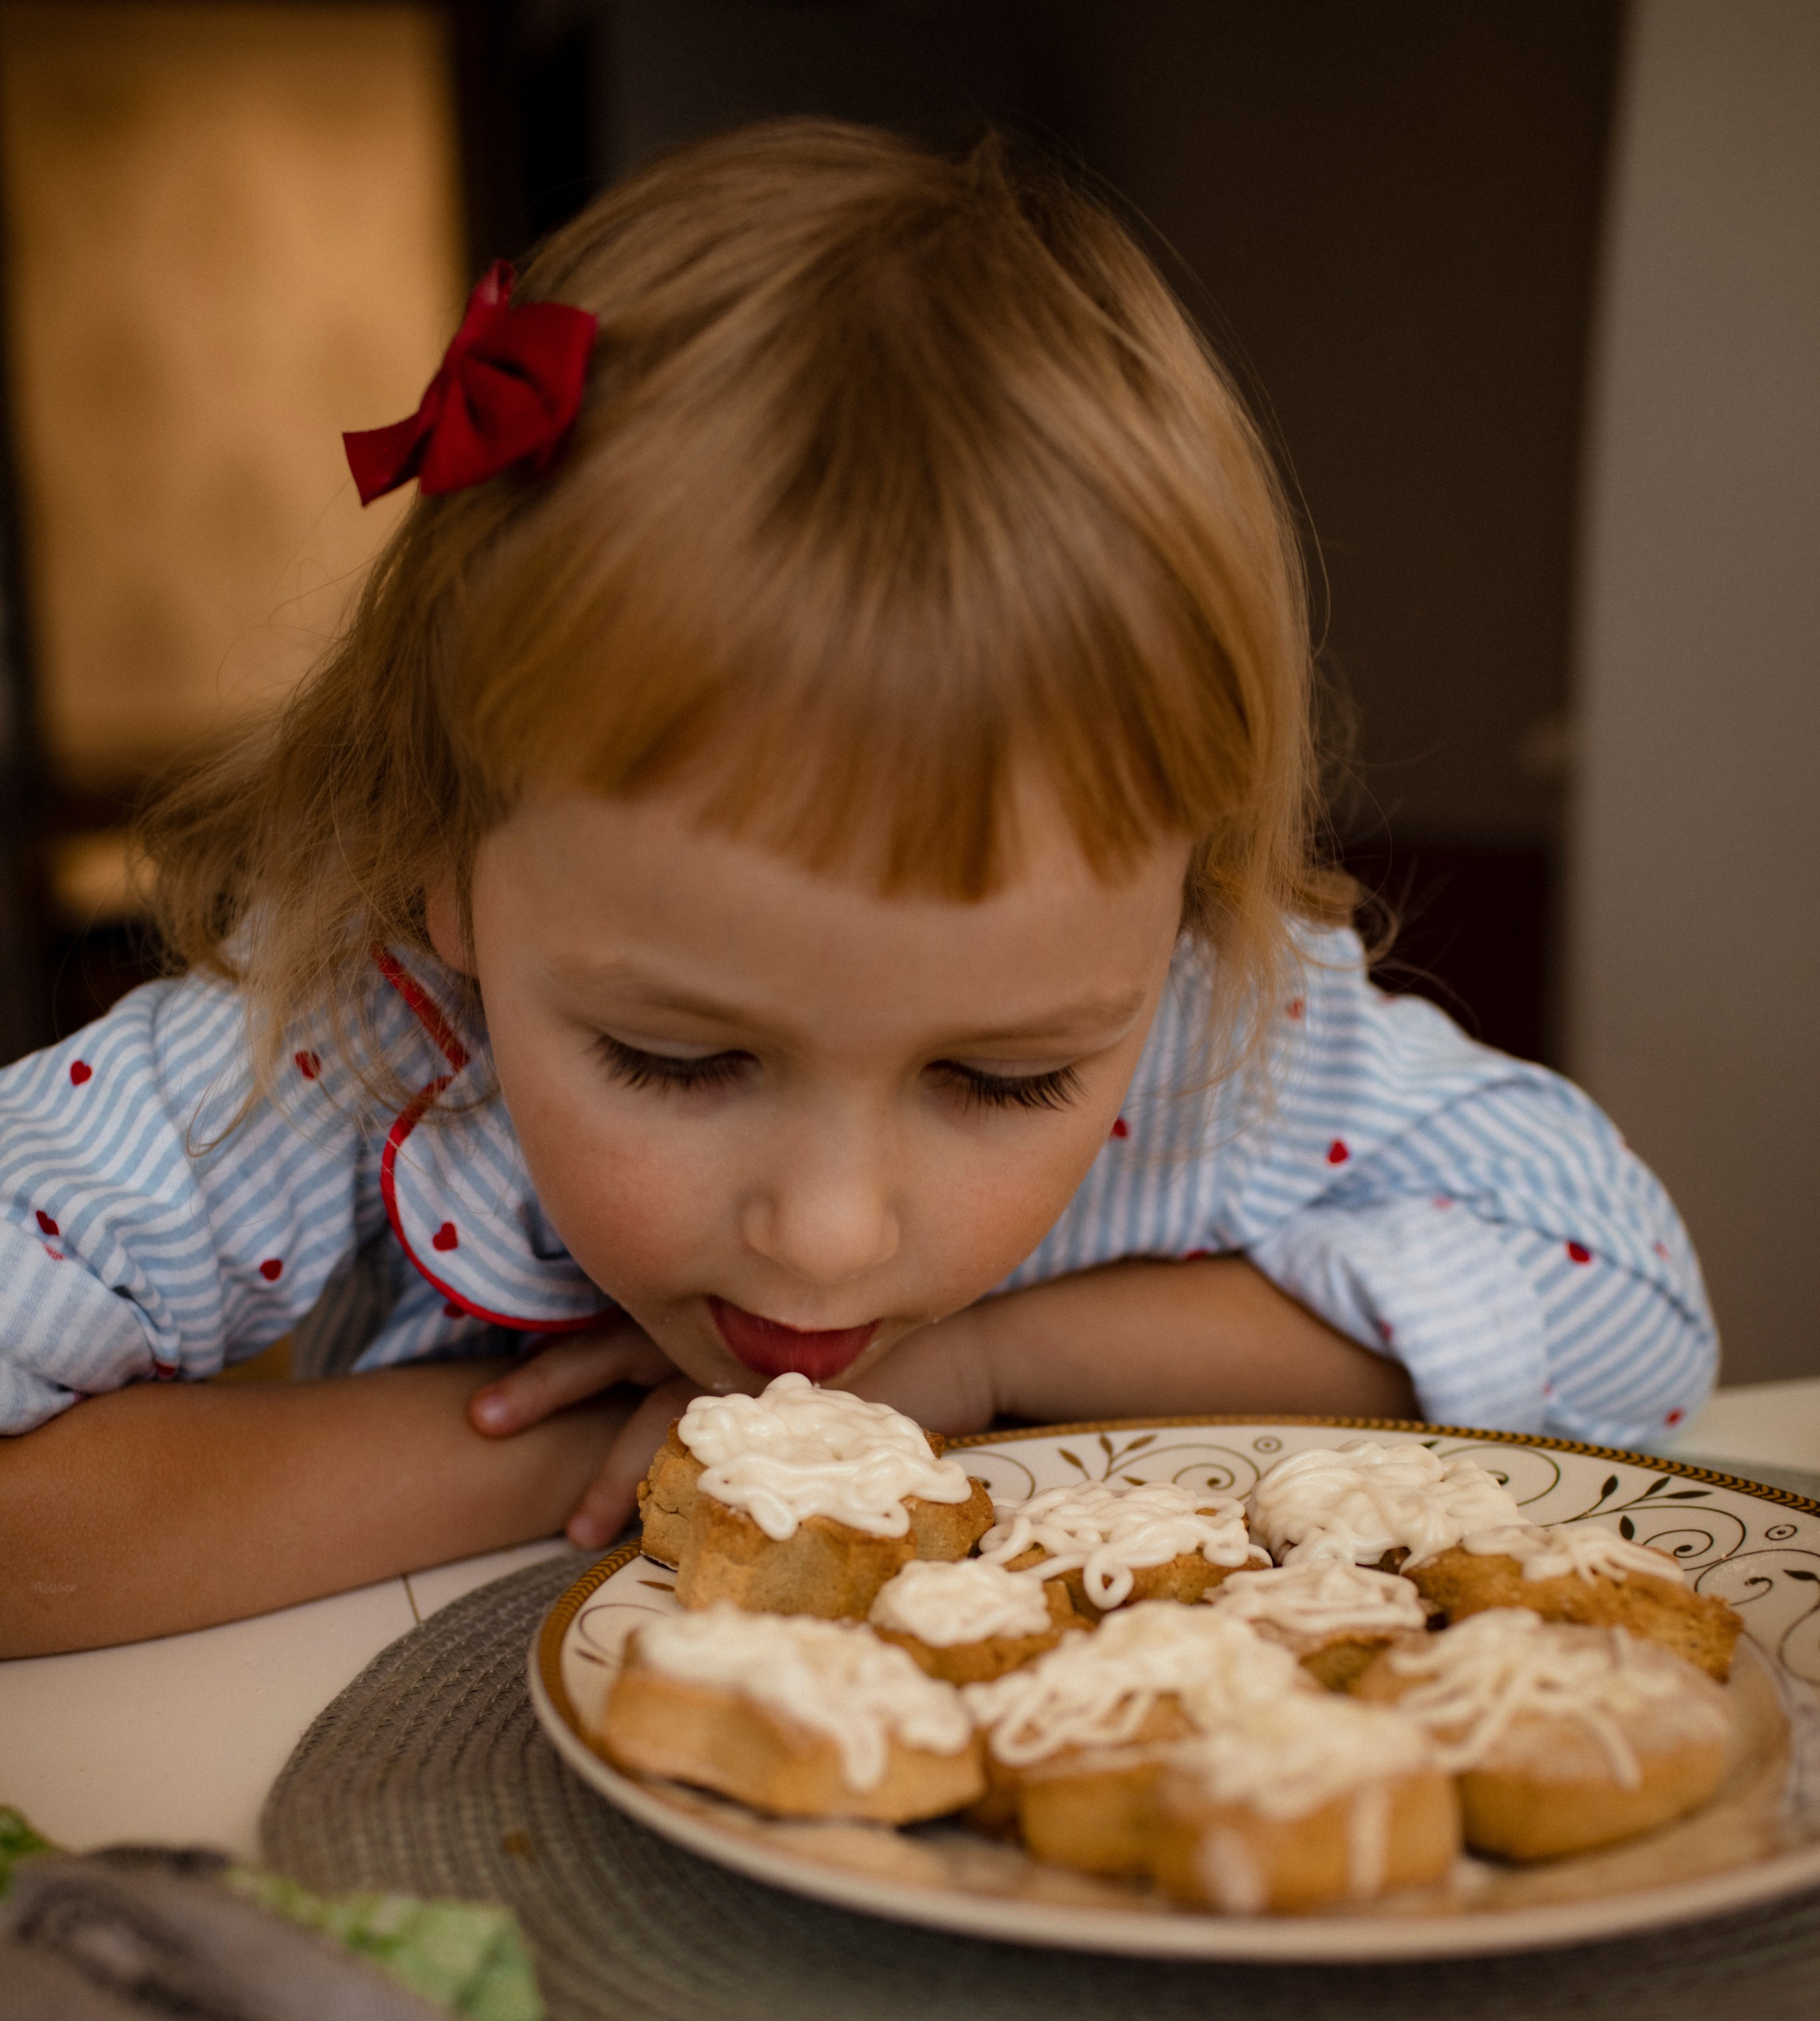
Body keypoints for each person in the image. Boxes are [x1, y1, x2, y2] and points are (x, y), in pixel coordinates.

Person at [0, 124, 1715, 1658]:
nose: (828, 1234)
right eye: (675, 1059)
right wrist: (617, 1457)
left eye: (1001, 1078)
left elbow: (1629, 1319)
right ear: (447, 873)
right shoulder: (341, 1046)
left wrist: (991, 1364)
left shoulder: (1220, 1037)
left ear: (1179, 918)